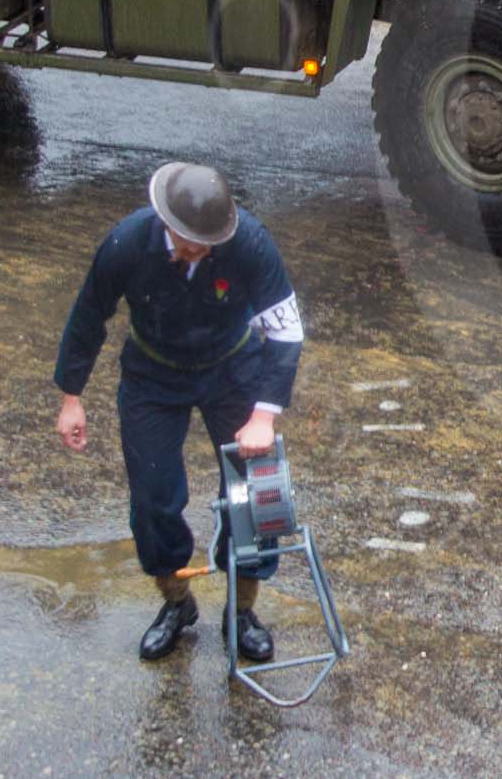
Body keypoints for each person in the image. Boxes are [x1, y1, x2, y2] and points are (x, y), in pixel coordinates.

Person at [53, 164, 306, 663]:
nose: (201, 251)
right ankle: (176, 603)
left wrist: (264, 416)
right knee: (152, 498)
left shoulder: (250, 241)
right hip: (153, 375)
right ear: (166, 223)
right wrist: (71, 397)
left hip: (232, 368)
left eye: (210, 242)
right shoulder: (127, 242)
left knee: (255, 495)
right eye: (191, 241)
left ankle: (243, 610)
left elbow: (286, 330)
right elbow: (88, 314)